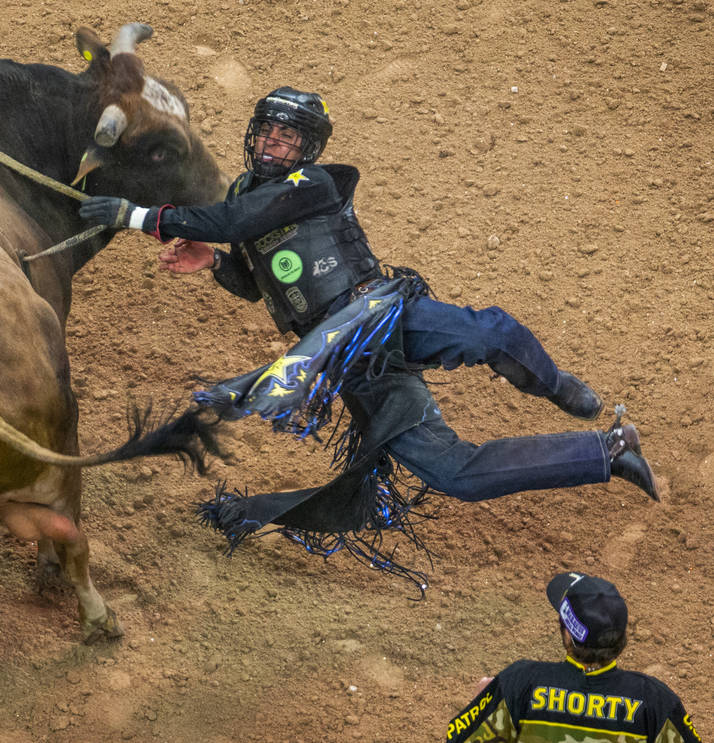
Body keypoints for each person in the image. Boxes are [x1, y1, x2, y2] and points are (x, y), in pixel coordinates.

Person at [78, 88, 659, 580]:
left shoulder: (314, 182)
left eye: (290, 136)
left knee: (491, 334)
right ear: (252, 135)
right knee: (453, 473)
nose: (276, 142)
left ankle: (557, 386)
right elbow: (259, 284)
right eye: (269, 132)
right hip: (343, 357)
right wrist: (214, 265)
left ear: (310, 149)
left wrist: (136, 217)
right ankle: (610, 452)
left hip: (376, 313)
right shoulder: (242, 197)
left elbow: (234, 224)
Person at [445, 572, 702, 742]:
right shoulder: (655, 700)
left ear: (568, 634)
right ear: (621, 638)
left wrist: (486, 700)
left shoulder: (520, 682)